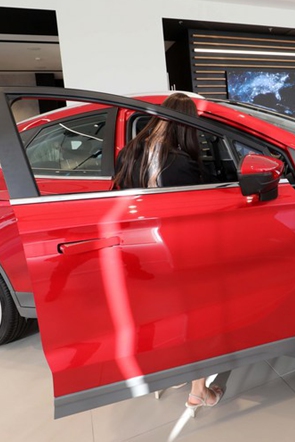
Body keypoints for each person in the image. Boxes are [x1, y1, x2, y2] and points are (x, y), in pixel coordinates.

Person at [113, 93, 223, 414]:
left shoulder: (130, 154)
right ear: (187, 125)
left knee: (162, 318)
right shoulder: (181, 163)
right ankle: (198, 391)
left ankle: (169, 375)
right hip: (177, 251)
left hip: (141, 252)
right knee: (197, 318)